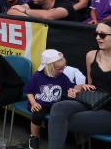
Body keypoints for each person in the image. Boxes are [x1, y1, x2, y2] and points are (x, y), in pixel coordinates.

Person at [47, 21, 111, 149]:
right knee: (58, 108)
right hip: (93, 100)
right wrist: (79, 88)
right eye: (96, 34)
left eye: (103, 35)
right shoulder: (91, 55)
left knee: (61, 121)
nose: (98, 38)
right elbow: (90, 84)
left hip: (109, 110)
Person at [23, 49, 74, 149]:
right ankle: (34, 137)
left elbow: (71, 87)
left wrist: (72, 91)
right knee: (37, 115)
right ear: (49, 67)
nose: (62, 71)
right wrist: (33, 103)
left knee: (61, 115)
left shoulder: (62, 77)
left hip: (55, 105)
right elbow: (28, 91)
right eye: (59, 69)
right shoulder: (37, 76)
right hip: (39, 104)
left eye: (63, 68)